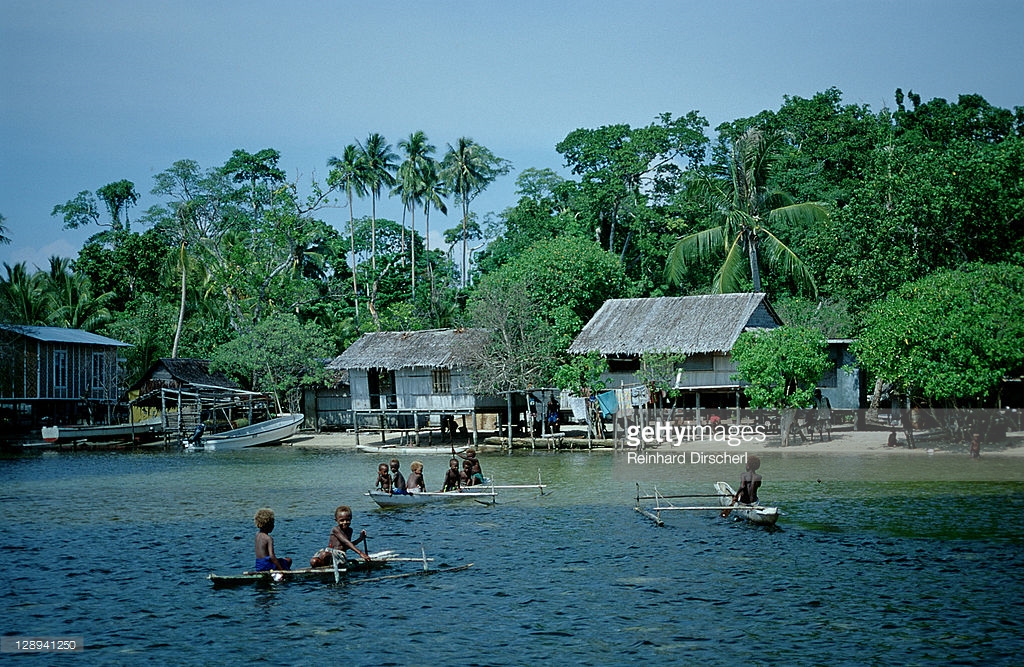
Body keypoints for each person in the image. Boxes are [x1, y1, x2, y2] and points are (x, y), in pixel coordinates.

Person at [253, 508, 292, 572]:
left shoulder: (257, 535)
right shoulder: (268, 538)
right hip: (268, 566)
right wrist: (281, 569)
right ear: (268, 525)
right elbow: (272, 556)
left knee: (281, 560)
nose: (273, 526)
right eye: (272, 523)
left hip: (259, 566)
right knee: (288, 560)